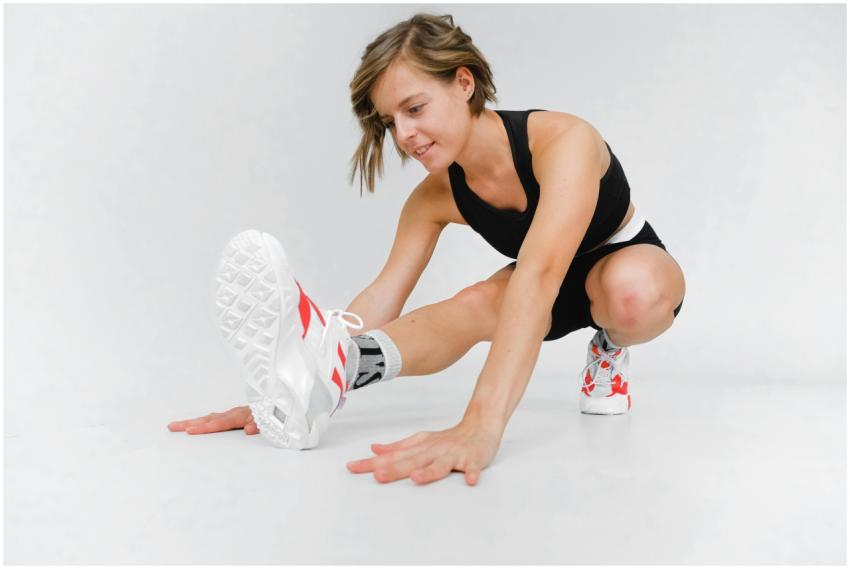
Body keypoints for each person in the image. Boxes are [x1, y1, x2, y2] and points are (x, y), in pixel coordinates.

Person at [167, 13, 686, 486]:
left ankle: (609, 347)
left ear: (464, 83)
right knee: (473, 303)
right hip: (539, 276)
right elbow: (383, 296)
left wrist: (480, 426)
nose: (404, 134)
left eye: (415, 108)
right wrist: (299, 384)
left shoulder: (563, 140)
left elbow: (540, 274)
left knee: (631, 293)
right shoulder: (434, 197)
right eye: (391, 121)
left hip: (620, 259)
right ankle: (335, 371)